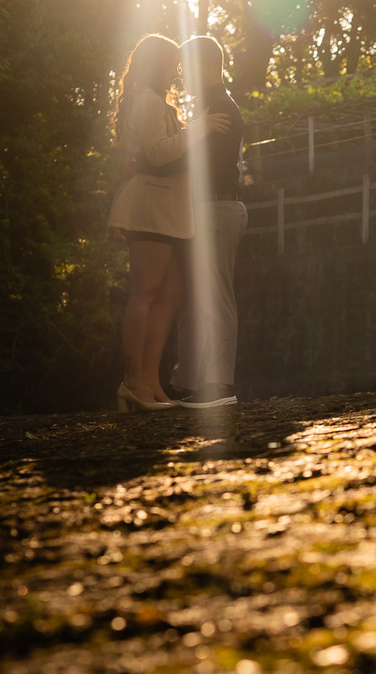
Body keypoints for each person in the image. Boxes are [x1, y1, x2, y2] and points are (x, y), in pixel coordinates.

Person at [107, 34, 229, 413]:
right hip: (151, 207)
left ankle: (151, 380)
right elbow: (158, 154)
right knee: (144, 294)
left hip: (172, 212)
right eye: (171, 63)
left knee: (171, 295)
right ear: (155, 64)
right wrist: (201, 127)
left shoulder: (158, 102)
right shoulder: (145, 102)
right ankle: (132, 383)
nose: (176, 70)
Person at [170, 35, 248, 409]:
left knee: (215, 296)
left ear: (203, 66)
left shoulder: (221, 108)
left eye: (186, 68)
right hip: (205, 209)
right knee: (193, 297)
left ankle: (219, 385)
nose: (182, 76)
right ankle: (188, 381)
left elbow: (193, 164)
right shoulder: (209, 109)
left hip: (217, 208)